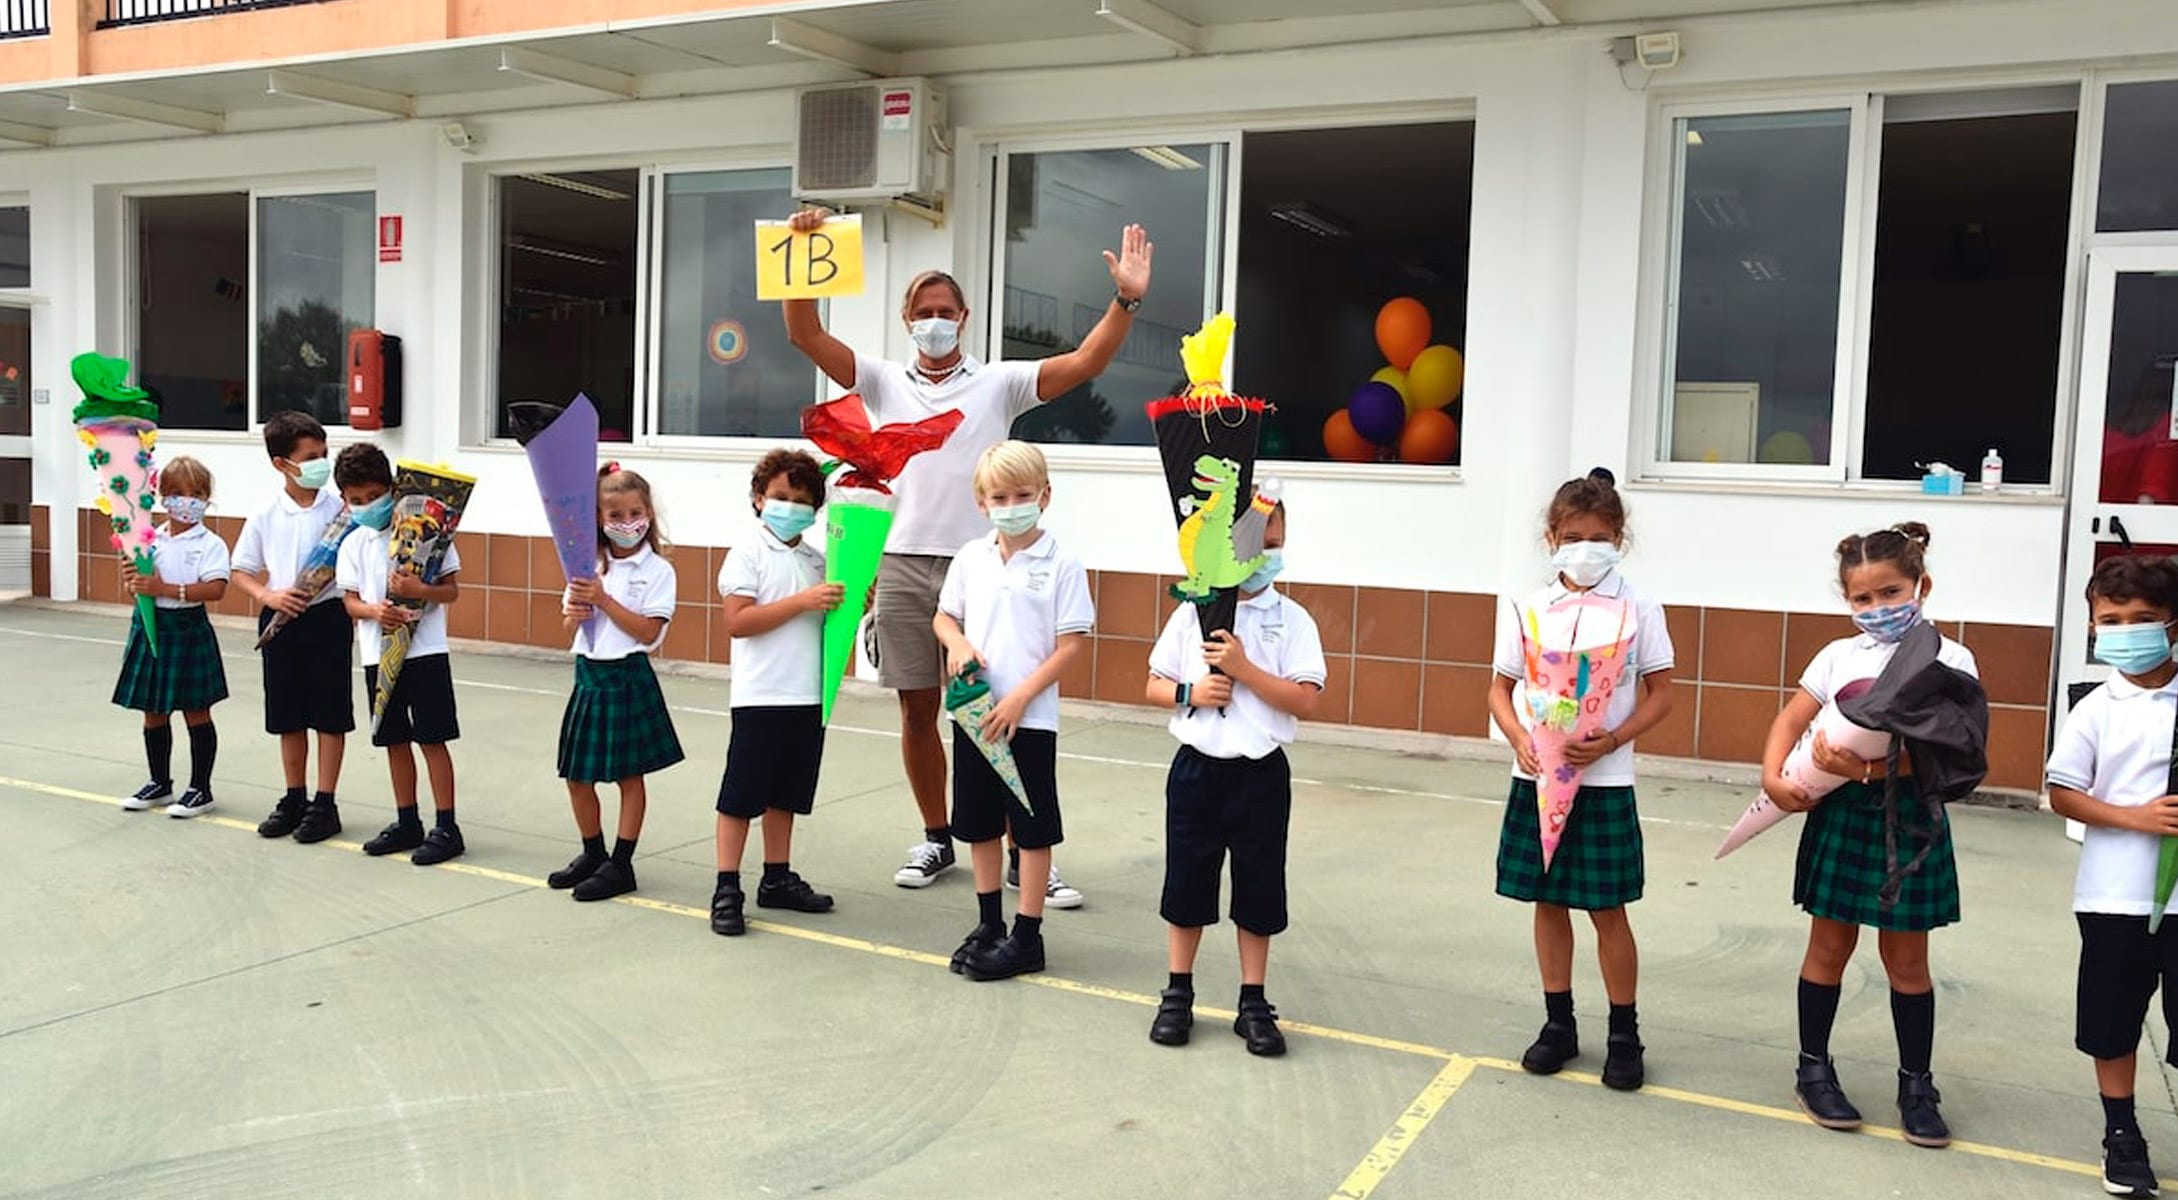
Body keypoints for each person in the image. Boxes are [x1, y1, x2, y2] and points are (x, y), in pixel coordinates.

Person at [781, 207, 1151, 901]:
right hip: (898, 564)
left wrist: (1126, 298)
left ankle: (1023, 848)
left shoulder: (999, 383)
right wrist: (804, 251)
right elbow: (804, 331)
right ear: (906, 318)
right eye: (924, 310)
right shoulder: (882, 379)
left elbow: (1087, 361)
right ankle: (937, 837)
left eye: (946, 309)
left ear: (966, 315)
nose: (935, 320)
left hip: (981, 569)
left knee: (992, 708)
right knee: (918, 711)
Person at [1761, 522, 1977, 1149]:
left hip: (1909, 816)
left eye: (1891, 592)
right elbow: (1792, 715)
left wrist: (1865, 767)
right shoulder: (1837, 656)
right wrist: (1773, 777)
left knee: (1907, 961)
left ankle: (1917, 1086)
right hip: (1843, 812)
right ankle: (1813, 1069)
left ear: (1922, 586)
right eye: (1863, 598)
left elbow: (1949, 746)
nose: (1878, 608)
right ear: (1847, 600)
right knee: (1828, 948)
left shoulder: (1948, 657)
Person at [1487, 469, 1675, 1092]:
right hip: (1537, 777)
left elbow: (1662, 693)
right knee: (1547, 902)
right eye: (1573, 536)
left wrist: (1613, 740)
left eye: (1599, 536)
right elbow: (1500, 688)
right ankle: (1558, 1024)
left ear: (1618, 537)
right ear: (1552, 537)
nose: (1586, 547)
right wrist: (1520, 741)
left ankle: (1625, 1033)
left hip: (1605, 780)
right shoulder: (1529, 605)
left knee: (1607, 907)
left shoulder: (1638, 606)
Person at [1143, 490, 1324, 1056]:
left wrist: (1244, 670)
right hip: (1197, 770)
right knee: (1188, 881)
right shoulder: (1193, 610)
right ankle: (1178, 992)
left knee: (1259, 885)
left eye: (1275, 545)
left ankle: (1253, 999)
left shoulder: (1291, 620)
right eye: (1255, 546)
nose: (1267, 556)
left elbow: (1305, 699)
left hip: (1260, 774)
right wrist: (1190, 692)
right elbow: (1153, 685)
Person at [932, 441, 1093, 981]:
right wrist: (955, 646)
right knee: (977, 820)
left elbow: (1071, 644)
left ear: (1044, 496)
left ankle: (1028, 933)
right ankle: (988, 923)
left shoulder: (1062, 563)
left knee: (1031, 827)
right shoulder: (970, 558)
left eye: (1023, 494)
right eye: (999, 495)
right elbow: (944, 618)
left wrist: (1023, 697)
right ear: (982, 502)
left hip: (1029, 718)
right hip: (975, 712)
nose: (1011, 504)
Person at [2046, 554, 2178, 1197]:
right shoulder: (2097, 706)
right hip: (2114, 893)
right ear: (2094, 628)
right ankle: (2121, 1133)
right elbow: (2064, 792)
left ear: (2173, 624)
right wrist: (2133, 816)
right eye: (2112, 619)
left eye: (2145, 618)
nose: (2128, 629)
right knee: (2113, 1018)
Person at [711, 449, 843, 937]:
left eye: (802, 500)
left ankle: (777, 876)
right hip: (760, 696)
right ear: (759, 498)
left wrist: (851, 603)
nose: (790, 507)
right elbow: (738, 622)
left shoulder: (816, 560)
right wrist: (803, 601)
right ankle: (727, 885)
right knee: (742, 795)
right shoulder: (747, 552)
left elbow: (829, 622)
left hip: (807, 695)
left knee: (786, 794)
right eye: (780, 497)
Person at [551, 464, 685, 902]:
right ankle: (593, 852)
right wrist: (576, 612)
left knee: (629, 776)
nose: (627, 523)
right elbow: (569, 627)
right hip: (588, 674)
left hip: (627, 675)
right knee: (576, 774)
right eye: (615, 515)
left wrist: (604, 601)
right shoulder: (586, 564)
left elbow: (649, 633)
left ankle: (622, 863)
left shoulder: (659, 570)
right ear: (598, 519)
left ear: (648, 513)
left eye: (635, 513)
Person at [333, 444, 467, 867]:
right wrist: (375, 611)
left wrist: (419, 592)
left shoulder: (424, 532)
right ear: (343, 500)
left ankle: (446, 826)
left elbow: (451, 590)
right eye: (354, 500)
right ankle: (406, 819)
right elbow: (350, 602)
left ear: (392, 489)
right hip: (379, 656)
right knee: (393, 741)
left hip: (425, 653)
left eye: (372, 496)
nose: (364, 506)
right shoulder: (353, 543)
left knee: (432, 738)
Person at [231, 411, 351, 844]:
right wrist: (269, 597)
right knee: (287, 713)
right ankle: (294, 796)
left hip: (328, 618)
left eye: (324, 454)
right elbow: (241, 569)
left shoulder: (342, 509)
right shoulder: (266, 512)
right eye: (311, 457)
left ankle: (325, 801)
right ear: (282, 464)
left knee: (330, 712)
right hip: (282, 619)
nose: (322, 463)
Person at [112, 455, 229, 819]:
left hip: (188, 628)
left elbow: (216, 589)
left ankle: (200, 789)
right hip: (151, 627)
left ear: (207, 498)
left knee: (196, 711)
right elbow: (137, 587)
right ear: (162, 496)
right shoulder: (148, 539)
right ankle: (159, 782)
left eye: (196, 493)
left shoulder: (210, 543)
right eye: (177, 493)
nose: (186, 501)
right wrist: (133, 577)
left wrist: (166, 587)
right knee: (153, 710)